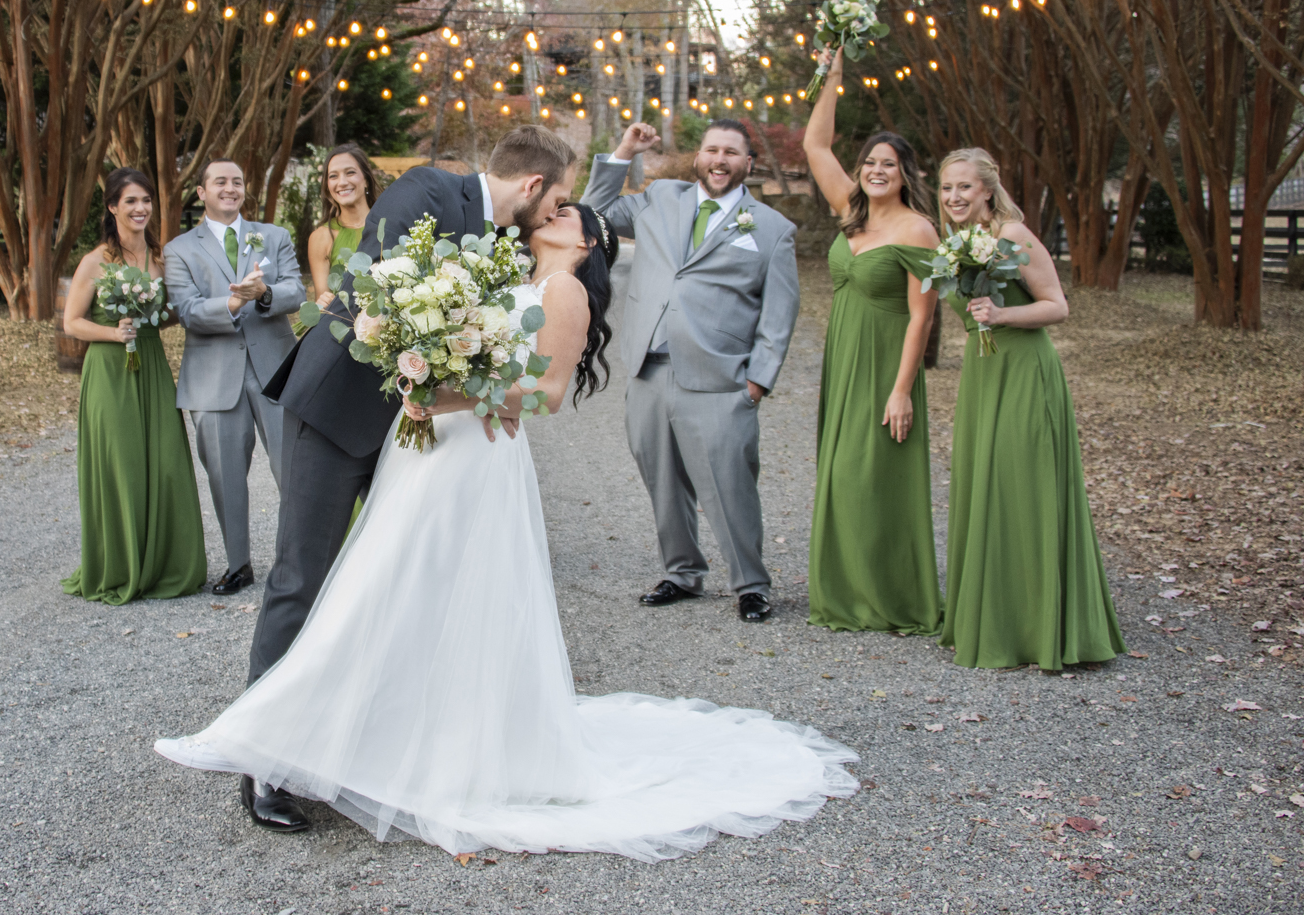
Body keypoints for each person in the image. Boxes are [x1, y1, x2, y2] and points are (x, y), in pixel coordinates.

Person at [155, 204, 859, 859]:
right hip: (429, 446)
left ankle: (356, 740)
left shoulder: (566, 294)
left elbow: (548, 392)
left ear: (586, 244)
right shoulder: (518, 278)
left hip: (475, 455)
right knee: (394, 583)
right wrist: (425, 374)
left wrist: (444, 393)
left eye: (567, 213)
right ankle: (357, 733)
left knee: (418, 583)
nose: (550, 211)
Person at [245, 126, 579, 829]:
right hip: (339, 414)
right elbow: (382, 300)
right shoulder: (430, 189)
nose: (556, 215)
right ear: (532, 185)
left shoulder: (500, 243)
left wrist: (487, 392)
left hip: (412, 432)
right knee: (302, 577)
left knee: (394, 585)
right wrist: (470, 386)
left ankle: (366, 744)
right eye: (559, 200)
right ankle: (263, 768)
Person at [583, 120, 799, 623]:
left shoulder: (770, 228)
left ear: (749, 163)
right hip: (649, 367)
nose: (719, 159)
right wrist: (624, 151)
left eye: (731, 152)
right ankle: (681, 573)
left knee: (730, 481)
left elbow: (779, 312)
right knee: (660, 476)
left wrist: (758, 380)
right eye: (711, 150)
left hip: (720, 377)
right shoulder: (660, 197)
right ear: (697, 157)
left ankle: (751, 583)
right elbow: (593, 214)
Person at [936, 148, 1125, 670]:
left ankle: (1040, 627)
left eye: (965, 188)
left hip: (1024, 372)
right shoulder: (953, 244)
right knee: (988, 486)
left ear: (988, 192)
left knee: (1024, 486)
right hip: (982, 375)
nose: (954, 197)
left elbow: (1057, 306)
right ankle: (993, 618)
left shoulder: (1012, 236)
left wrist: (1001, 313)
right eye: (948, 188)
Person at [801, 48, 942, 636]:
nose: (877, 169)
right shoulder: (849, 212)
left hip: (888, 360)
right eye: (870, 161)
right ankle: (846, 592)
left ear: (906, 172)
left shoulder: (919, 230)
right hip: (844, 356)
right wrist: (834, 76)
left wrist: (902, 390)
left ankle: (892, 596)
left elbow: (922, 317)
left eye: (889, 163)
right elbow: (815, 146)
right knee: (841, 472)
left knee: (875, 474)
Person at [60, 168, 206, 605]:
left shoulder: (160, 260)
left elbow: (167, 315)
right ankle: (121, 565)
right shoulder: (96, 261)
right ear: (112, 207)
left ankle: (165, 562)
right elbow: (72, 323)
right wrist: (113, 333)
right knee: (122, 464)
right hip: (109, 371)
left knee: (163, 461)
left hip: (153, 368)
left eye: (146, 200)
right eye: (131, 202)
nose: (141, 208)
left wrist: (192, 307)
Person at [163, 160, 307, 596]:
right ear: (202, 192)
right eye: (219, 182)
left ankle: (297, 562)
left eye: (237, 182)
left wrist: (264, 294)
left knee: (295, 470)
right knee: (225, 475)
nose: (230, 188)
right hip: (212, 378)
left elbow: (296, 291)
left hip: (276, 371)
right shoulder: (179, 249)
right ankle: (238, 564)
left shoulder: (274, 236)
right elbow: (185, 310)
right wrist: (228, 305)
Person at [304, 143, 381, 311]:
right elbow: (323, 302)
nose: (342, 182)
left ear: (366, 179)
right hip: (343, 326)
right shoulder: (321, 237)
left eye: (350, 173)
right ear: (327, 186)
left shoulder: (388, 226)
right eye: (333, 176)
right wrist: (322, 303)